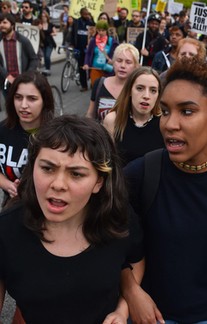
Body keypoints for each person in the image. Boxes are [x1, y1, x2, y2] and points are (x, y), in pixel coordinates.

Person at [121, 58, 207, 324]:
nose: (170, 124)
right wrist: (131, 291)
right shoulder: (139, 175)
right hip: (149, 314)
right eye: (165, 111)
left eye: (186, 111)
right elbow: (115, 247)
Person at [0, 115, 144, 323]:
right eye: (47, 168)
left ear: (98, 183)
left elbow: (135, 260)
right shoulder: (6, 231)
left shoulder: (118, 218)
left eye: (76, 174)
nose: (58, 184)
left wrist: (122, 309)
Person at [0, 71, 54, 207]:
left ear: (44, 101)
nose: (23, 105)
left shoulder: (56, 136)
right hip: (12, 208)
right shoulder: (3, 130)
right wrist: (8, 185)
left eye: (32, 99)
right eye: (18, 97)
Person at [102, 66, 164, 166]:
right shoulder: (113, 120)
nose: (146, 96)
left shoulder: (164, 123)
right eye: (140, 88)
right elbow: (106, 163)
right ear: (129, 90)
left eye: (153, 90)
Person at [86, 43, 139, 121]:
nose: (122, 65)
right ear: (113, 62)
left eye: (128, 62)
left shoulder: (139, 89)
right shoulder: (100, 83)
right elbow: (90, 114)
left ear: (135, 66)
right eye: (119, 61)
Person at [0, 13, 38, 92]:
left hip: (22, 81)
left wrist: (27, 75)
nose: (1, 25)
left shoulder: (23, 41)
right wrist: (7, 76)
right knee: (9, 103)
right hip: (5, 81)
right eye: (0, 23)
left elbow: (33, 59)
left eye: (4, 22)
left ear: (12, 25)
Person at [83, 20, 119, 87]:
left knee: (105, 89)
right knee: (96, 89)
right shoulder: (93, 41)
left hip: (107, 70)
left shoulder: (112, 41)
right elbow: (88, 53)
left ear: (106, 30)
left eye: (103, 30)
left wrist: (112, 60)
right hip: (95, 69)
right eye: (99, 30)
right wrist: (86, 63)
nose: (100, 32)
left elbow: (117, 54)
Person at [72, 8, 95, 92]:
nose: (86, 15)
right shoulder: (76, 22)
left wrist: (91, 20)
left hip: (89, 48)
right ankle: (84, 85)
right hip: (79, 48)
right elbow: (73, 33)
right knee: (81, 66)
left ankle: (93, 83)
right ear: (81, 14)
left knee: (91, 66)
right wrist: (73, 44)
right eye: (85, 14)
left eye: (87, 14)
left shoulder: (90, 22)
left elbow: (94, 31)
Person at [39, 10, 56, 76]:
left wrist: (52, 34)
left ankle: (48, 69)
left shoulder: (50, 25)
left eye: (45, 16)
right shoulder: (40, 25)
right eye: (42, 17)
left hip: (50, 43)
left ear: (47, 17)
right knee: (45, 56)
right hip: (43, 43)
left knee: (47, 56)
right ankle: (46, 68)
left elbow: (55, 32)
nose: (43, 18)